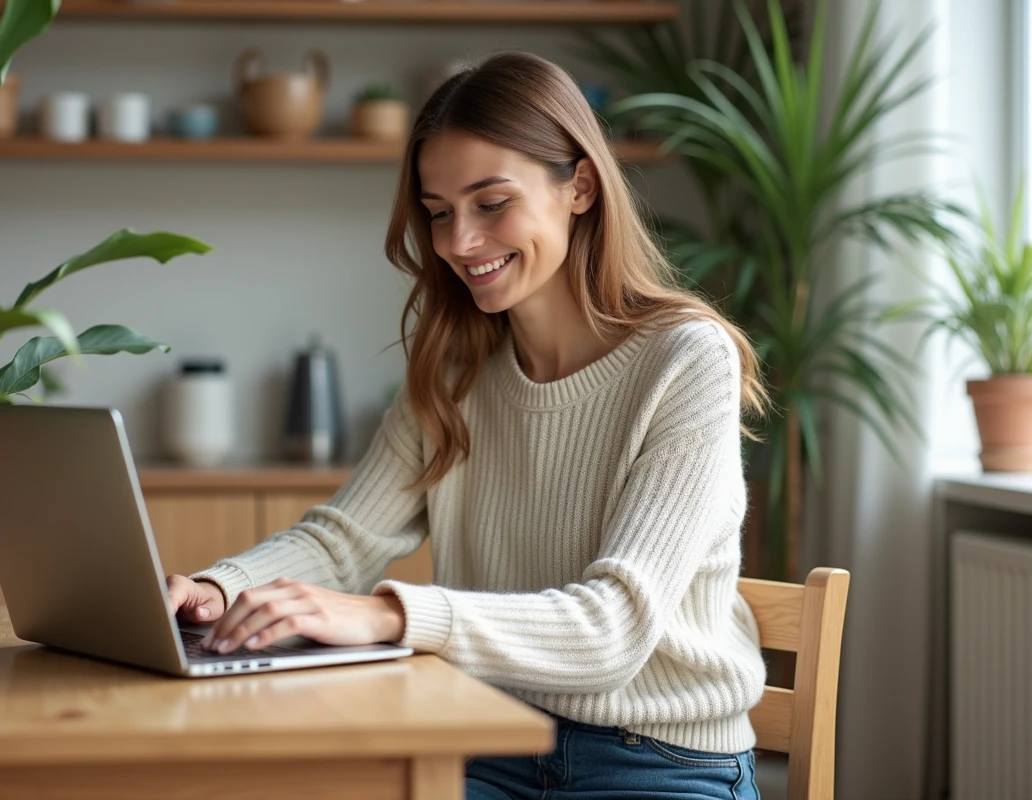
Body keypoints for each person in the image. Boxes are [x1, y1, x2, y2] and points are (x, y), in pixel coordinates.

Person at [166, 51, 767, 800]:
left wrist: (389, 614)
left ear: (580, 187)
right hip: (485, 736)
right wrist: (219, 589)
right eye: (440, 212)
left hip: (658, 761)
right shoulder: (453, 369)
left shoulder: (685, 360)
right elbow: (345, 540)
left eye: (492, 203)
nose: (458, 242)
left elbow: (612, 630)